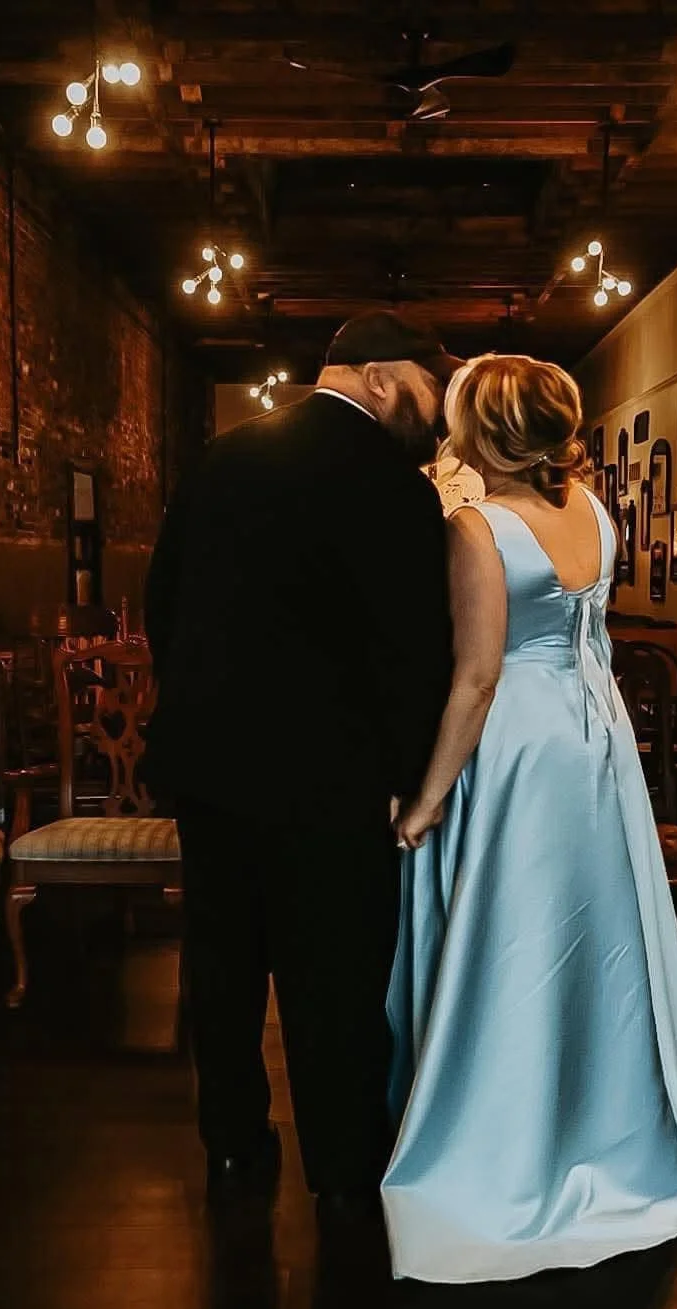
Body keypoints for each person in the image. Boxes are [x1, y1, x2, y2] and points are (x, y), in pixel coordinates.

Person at [381, 354, 677, 1283]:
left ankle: (506, 1135)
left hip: (518, 747)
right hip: (596, 741)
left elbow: (478, 678)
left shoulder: (476, 527)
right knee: (595, 933)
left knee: (513, 934)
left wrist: (426, 799)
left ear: (484, 433)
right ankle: (605, 1116)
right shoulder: (597, 513)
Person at [144, 312, 458, 1217]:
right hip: (333, 777)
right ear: (380, 378)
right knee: (336, 975)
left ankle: (233, 1142)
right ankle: (341, 1165)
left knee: (223, 964)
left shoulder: (222, 458)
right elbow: (413, 651)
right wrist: (410, 776)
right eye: (430, 387)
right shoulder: (393, 487)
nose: (438, 412)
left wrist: (196, 708)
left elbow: (163, 599)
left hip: (210, 766)